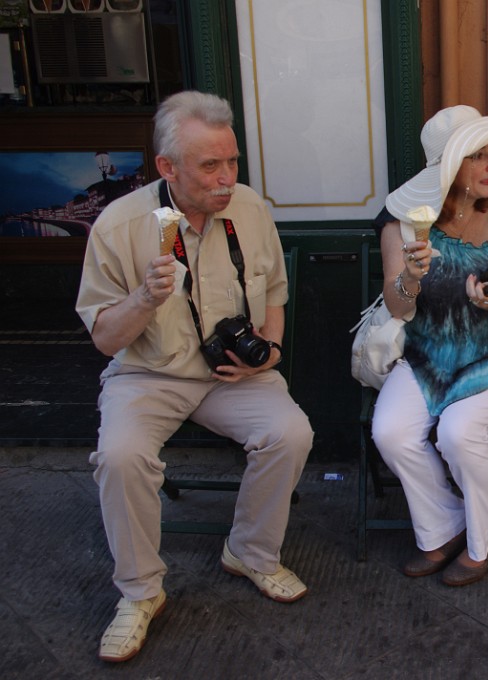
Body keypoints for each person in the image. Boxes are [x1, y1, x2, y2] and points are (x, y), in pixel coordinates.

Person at [76, 91, 313, 663]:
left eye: (232, 161)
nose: (226, 178)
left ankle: (250, 552)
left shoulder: (250, 208)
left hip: (232, 372)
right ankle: (140, 593)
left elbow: (274, 291)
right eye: (210, 166)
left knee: (291, 433)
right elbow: (106, 338)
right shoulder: (119, 224)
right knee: (121, 457)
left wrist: (272, 349)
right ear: (167, 167)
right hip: (148, 372)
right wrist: (143, 297)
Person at [370, 105, 488, 586]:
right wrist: (408, 277)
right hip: (428, 353)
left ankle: (487, 534)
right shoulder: (404, 221)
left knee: (457, 433)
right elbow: (399, 309)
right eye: (480, 157)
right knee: (390, 432)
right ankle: (444, 525)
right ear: (448, 169)